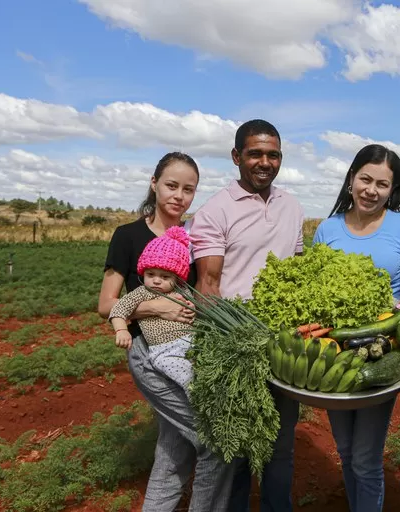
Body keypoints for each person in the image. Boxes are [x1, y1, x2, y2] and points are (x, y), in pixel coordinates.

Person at [98, 152, 235, 511]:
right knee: (215, 442)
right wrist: (155, 307)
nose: (179, 196)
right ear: (154, 183)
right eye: (172, 185)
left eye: (189, 189)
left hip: (187, 349)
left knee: (173, 451)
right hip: (150, 354)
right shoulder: (128, 235)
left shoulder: (193, 238)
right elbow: (105, 303)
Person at [188, 119, 304, 512]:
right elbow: (208, 287)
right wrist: (235, 348)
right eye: (255, 153)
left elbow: (298, 273)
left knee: (280, 447)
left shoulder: (292, 206)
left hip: (285, 346)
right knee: (235, 453)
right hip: (237, 348)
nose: (264, 162)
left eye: (273, 155)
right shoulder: (214, 211)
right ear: (237, 156)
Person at [312, 143, 400, 512]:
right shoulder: (327, 230)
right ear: (350, 180)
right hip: (336, 349)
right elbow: (315, 290)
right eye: (365, 179)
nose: (371, 190)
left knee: (365, 456)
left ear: (393, 190)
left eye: (382, 184)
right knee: (345, 451)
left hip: (382, 348)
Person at [109, 226, 195, 395]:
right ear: (143, 272)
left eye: (165, 277)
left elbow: (192, 305)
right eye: (150, 274)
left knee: (202, 370)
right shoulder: (142, 293)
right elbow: (118, 309)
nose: (156, 281)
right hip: (164, 351)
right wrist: (121, 330)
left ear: (177, 278)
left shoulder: (182, 290)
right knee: (187, 379)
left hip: (191, 342)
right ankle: (199, 400)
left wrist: (192, 309)